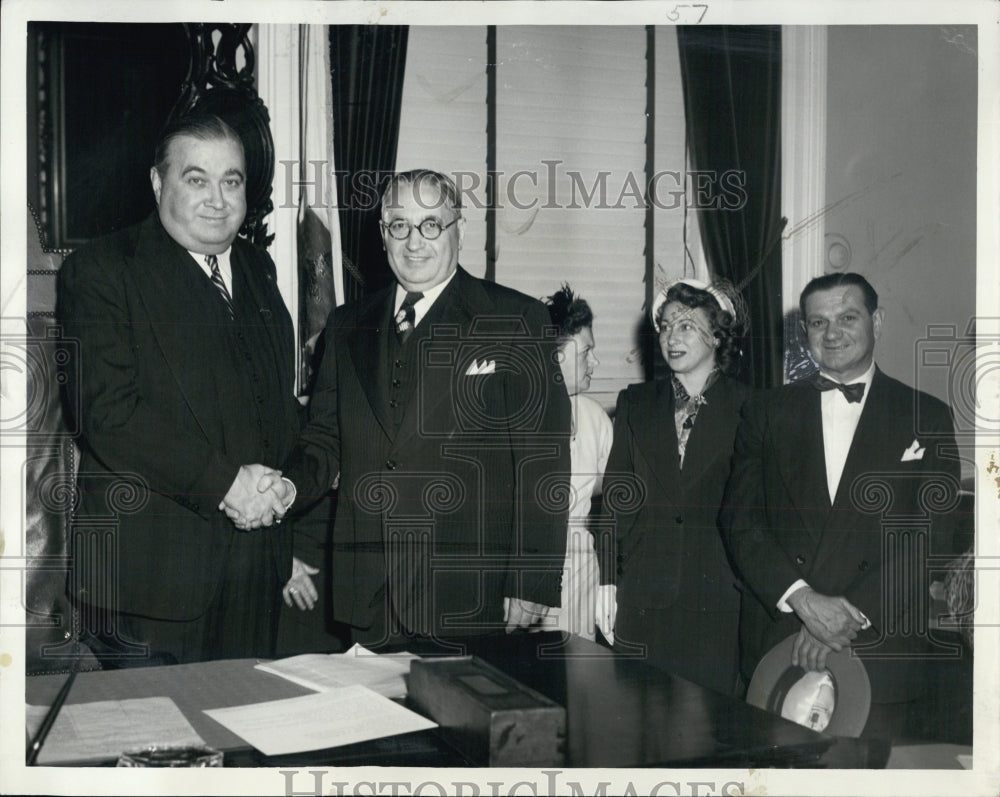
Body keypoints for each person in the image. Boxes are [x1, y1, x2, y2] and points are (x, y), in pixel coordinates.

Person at [241, 169, 571, 648]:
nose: (415, 241)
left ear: (459, 229)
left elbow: (544, 459)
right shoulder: (347, 324)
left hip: (471, 591)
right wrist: (286, 487)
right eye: (400, 225)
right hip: (368, 589)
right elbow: (323, 440)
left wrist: (533, 578)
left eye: (431, 224)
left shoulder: (514, 319)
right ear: (382, 233)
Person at [57, 114, 305, 665]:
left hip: (254, 573)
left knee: (242, 739)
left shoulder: (258, 267)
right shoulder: (101, 271)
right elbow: (107, 415)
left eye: (232, 181)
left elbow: (276, 407)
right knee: (159, 750)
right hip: (148, 588)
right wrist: (226, 484)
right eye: (197, 179)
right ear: (157, 183)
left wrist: (289, 489)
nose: (218, 200)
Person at [721, 271, 961, 739]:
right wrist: (804, 602)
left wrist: (843, 618)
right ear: (804, 331)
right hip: (779, 647)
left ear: (878, 320)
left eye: (847, 317)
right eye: (817, 322)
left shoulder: (925, 415)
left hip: (880, 650)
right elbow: (739, 520)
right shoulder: (766, 411)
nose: (832, 333)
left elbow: (933, 534)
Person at [596, 278, 750, 694]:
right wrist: (607, 580)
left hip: (720, 604)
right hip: (643, 601)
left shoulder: (751, 408)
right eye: (664, 326)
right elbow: (615, 502)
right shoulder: (636, 403)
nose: (670, 337)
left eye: (685, 326)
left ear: (718, 335)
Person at [543, 285, 612, 641]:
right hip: (532, 566)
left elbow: (611, 485)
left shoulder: (594, 416)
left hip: (581, 567)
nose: (595, 362)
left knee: (577, 674)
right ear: (556, 357)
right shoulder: (516, 416)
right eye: (586, 352)